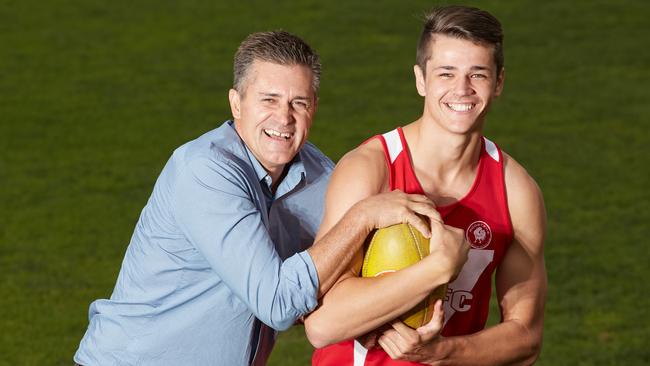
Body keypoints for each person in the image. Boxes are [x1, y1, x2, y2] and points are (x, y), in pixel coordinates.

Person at [73, 30, 445, 366]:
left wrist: (382, 324)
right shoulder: (204, 171)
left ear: (313, 108)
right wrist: (361, 217)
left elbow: (337, 283)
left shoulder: (323, 177)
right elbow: (278, 302)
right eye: (269, 99)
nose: (283, 118)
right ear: (237, 103)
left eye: (298, 102)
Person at [305, 5, 547, 365]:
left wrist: (442, 352)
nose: (461, 90)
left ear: (498, 83)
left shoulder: (516, 191)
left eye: (477, 74)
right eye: (446, 73)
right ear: (421, 79)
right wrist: (437, 269)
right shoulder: (371, 169)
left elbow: (526, 336)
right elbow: (323, 324)